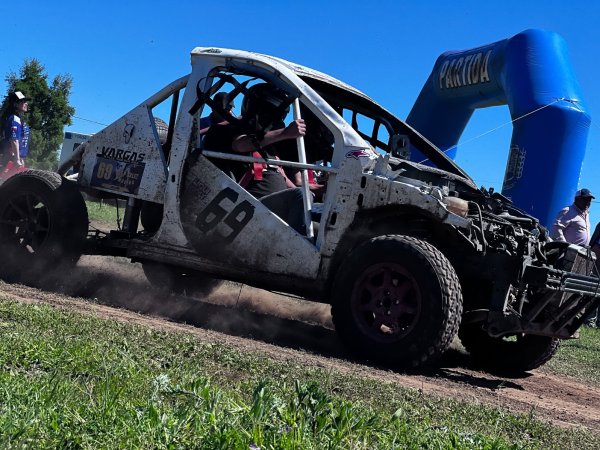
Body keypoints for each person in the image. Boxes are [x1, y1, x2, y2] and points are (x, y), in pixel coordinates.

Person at [202, 82, 307, 233]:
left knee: (314, 205)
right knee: (301, 196)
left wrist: (315, 191)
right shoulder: (228, 129)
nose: (276, 122)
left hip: (275, 208)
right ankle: (298, 246)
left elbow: (285, 180)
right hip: (250, 206)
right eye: (271, 116)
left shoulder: (269, 146)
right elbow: (240, 145)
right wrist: (284, 133)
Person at [0, 91, 30, 177]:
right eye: (23, 101)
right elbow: (14, 139)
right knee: (5, 181)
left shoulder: (19, 119)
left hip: (15, 159)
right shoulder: (14, 119)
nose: (26, 104)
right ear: (15, 104)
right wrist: (17, 159)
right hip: (8, 158)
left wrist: (20, 158)